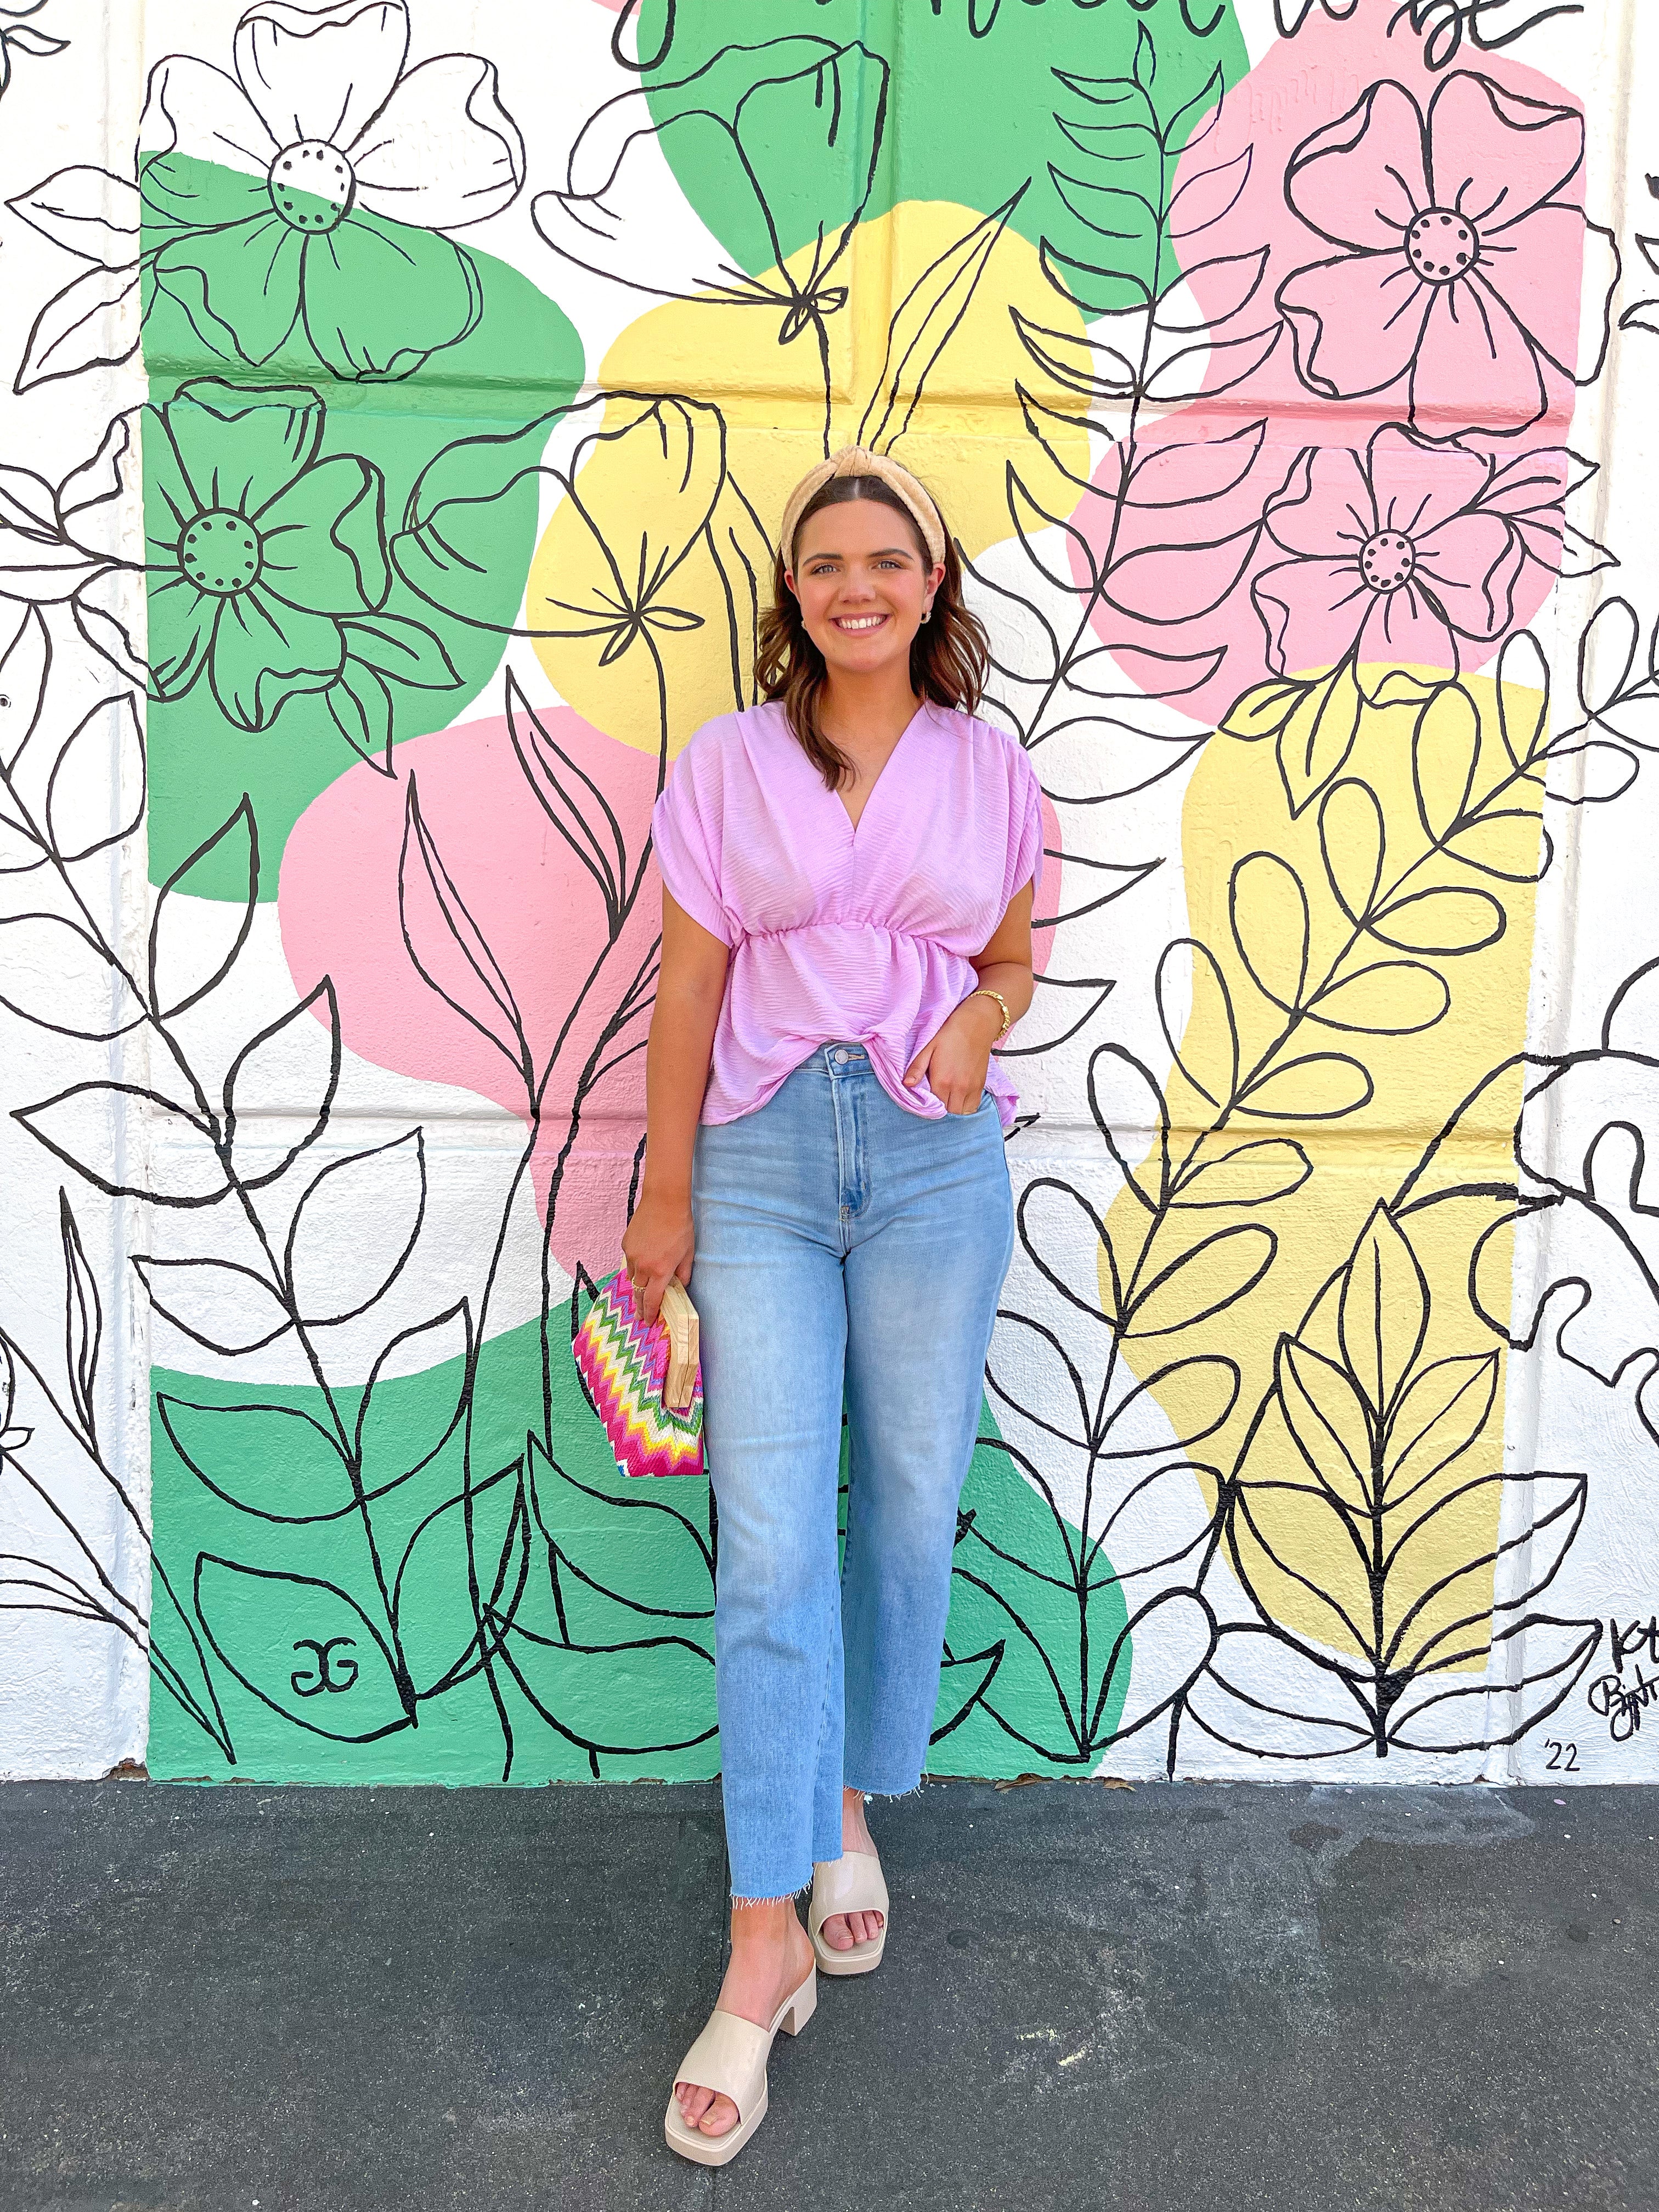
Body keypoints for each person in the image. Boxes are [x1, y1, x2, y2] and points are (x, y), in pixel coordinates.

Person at [622, 445, 1042, 2166]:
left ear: (932, 587)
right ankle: (760, 1937)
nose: (853, 583)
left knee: (916, 1515)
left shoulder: (991, 766)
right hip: (762, 1167)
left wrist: (977, 1025)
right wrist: (657, 1190)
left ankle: (848, 1799)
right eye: (822, 563)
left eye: (886, 558)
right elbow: (690, 983)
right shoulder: (730, 763)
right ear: (791, 595)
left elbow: (1014, 953)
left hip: (938, 1164)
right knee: (773, 1545)